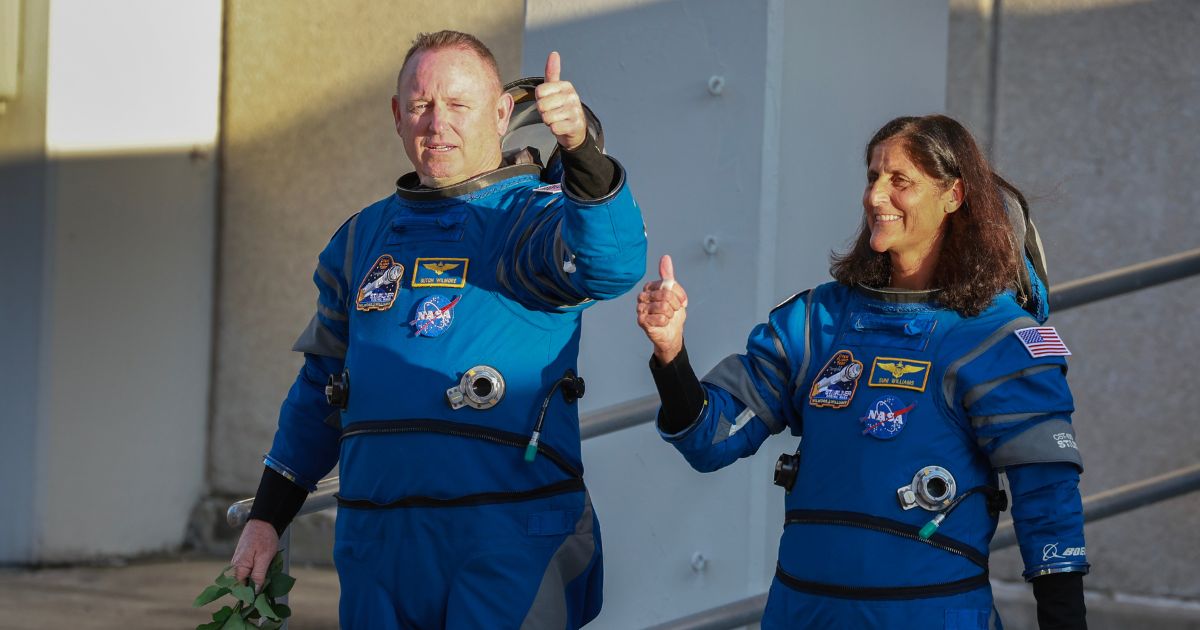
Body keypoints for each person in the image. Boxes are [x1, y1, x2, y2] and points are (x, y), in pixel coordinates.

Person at [230, 30, 647, 629]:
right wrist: (268, 517)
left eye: (458, 105)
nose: (436, 124)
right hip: (377, 544)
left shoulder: (534, 217)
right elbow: (321, 389)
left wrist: (580, 150)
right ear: (397, 116)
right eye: (422, 105)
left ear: (502, 113)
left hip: (505, 539)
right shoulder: (360, 240)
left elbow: (612, 265)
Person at [636, 115, 1087, 629]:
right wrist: (671, 355)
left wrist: (1063, 618)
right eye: (873, 176)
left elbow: (1046, 495)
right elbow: (711, 439)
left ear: (954, 195)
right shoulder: (818, 322)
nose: (876, 197)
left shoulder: (995, 337)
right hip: (804, 613)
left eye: (901, 181)